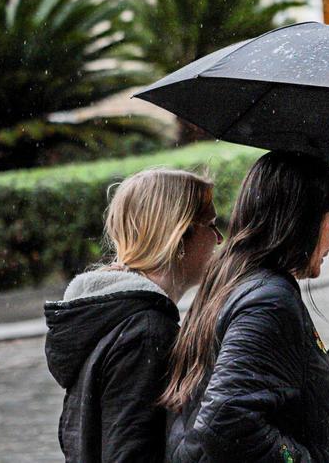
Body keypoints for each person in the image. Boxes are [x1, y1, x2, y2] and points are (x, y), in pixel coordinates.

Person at [163, 151, 329, 463]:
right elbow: (225, 422)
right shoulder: (267, 300)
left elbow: (276, 398)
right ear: (300, 222)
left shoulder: (232, 275)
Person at [44, 169, 221, 462]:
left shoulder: (115, 316)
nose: (219, 238)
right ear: (179, 234)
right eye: (211, 225)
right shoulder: (146, 333)